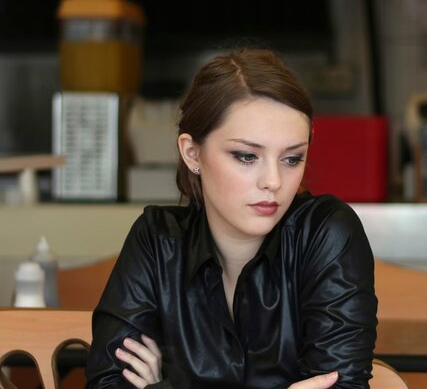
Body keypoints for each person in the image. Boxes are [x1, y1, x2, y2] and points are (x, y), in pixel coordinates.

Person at [85, 48, 378, 389]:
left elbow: (343, 386)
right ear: (192, 152)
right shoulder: (156, 239)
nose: (273, 181)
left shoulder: (327, 232)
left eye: (292, 158)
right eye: (246, 156)